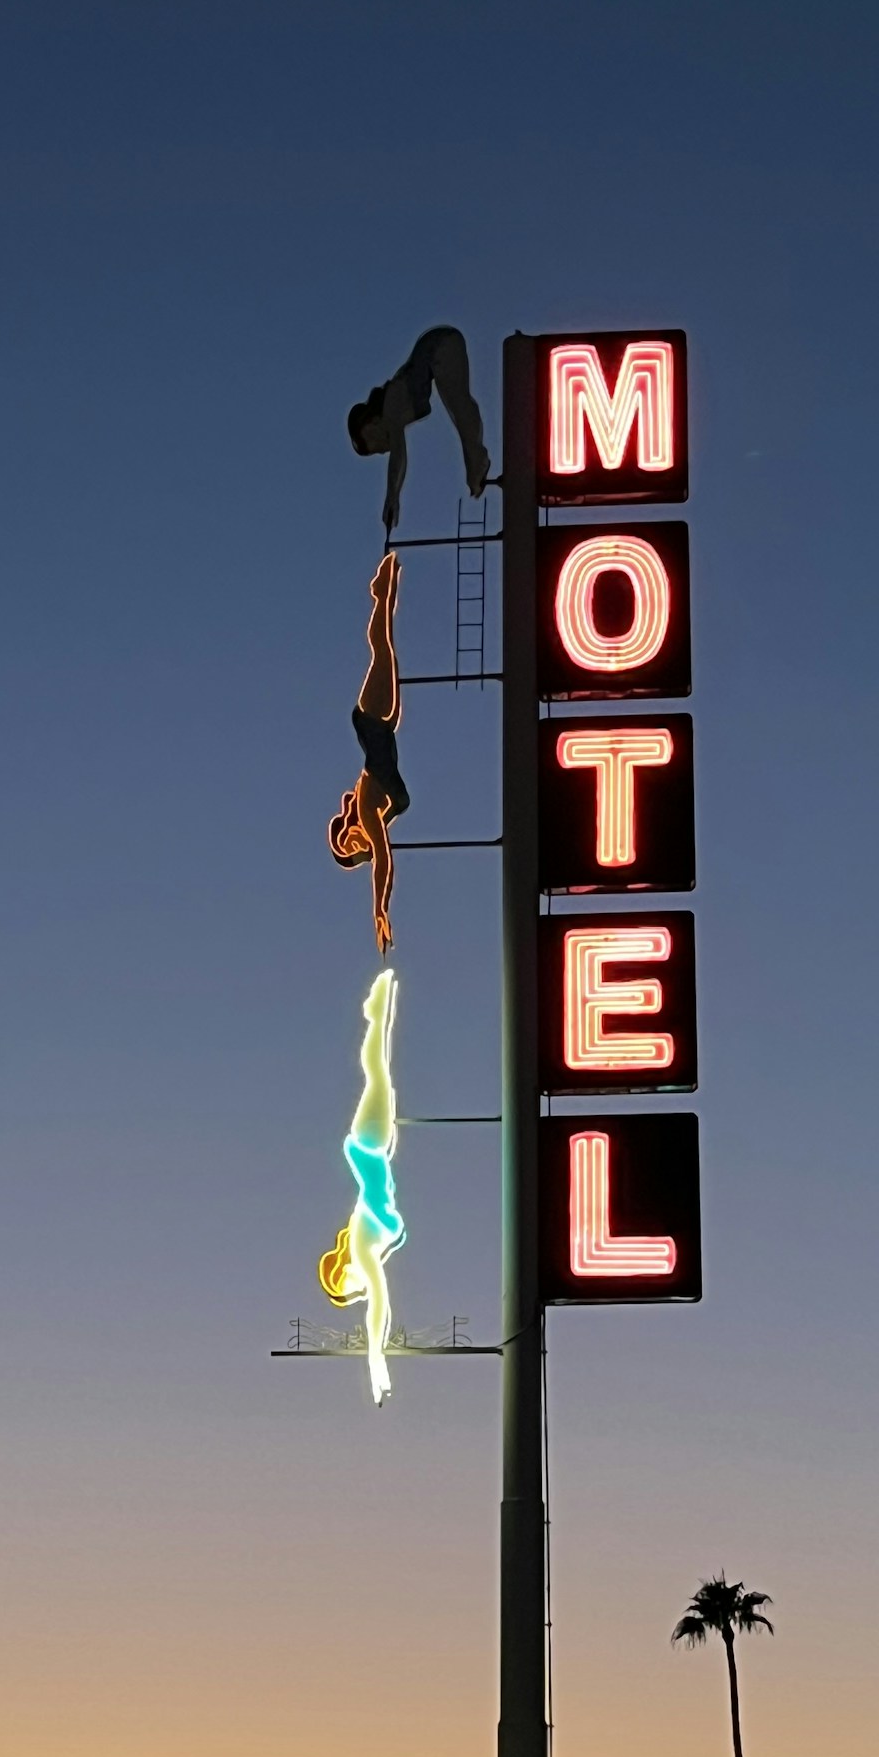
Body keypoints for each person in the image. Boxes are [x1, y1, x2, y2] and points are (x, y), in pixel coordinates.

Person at [318, 969, 404, 1406]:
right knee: (379, 1074)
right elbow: (376, 1299)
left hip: (368, 1147)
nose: (361, 1290)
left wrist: (376, 1358)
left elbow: (379, 1306)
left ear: (345, 1275)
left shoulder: (364, 1249)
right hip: (373, 1150)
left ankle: (377, 1012)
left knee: (377, 1071)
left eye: (352, 1288)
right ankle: (378, 1012)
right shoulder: (365, 1245)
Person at [328, 551, 409, 953]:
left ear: (347, 830)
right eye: (353, 852)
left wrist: (380, 909)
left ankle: (382, 593)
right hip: (384, 723)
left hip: (371, 721)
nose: (356, 844)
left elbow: (384, 861)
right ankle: (385, 593)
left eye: (346, 842)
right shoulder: (377, 815)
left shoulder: (365, 809)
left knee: (381, 647)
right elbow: (379, 855)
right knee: (386, 648)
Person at [347, 326, 491, 531]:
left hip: (441, 345)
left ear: (371, 426)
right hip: (439, 348)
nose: (382, 451)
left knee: (459, 406)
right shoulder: (396, 404)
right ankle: (477, 465)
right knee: (459, 406)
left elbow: (399, 454)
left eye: (376, 446)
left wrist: (392, 496)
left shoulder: (392, 402)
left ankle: (478, 464)